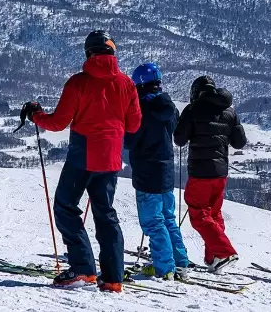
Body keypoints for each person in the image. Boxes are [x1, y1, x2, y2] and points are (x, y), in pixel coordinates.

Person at [21, 30, 141, 293]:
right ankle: (113, 278)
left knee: (65, 206)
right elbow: (134, 125)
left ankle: (83, 269)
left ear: (89, 53)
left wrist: (36, 115)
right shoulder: (127, 84)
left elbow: (58, 123)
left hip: (83, 154)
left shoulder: (78, 83)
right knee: (106, 214)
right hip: (111, 158)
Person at [173, 75, 246, 274]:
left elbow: (179, 139)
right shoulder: (230, 111)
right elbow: (239, 143)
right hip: (221, 172)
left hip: (200, 172)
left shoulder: (193, 109)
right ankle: (214, 257)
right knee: (213, 214)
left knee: (198, 213)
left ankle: (224, 252)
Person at [124, 62, 190, 280]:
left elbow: (130, 141)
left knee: (153, 221)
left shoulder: (140, 108)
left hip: (146, 171)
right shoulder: (169, 107)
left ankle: (164, 267)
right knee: (168, 218)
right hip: (166, 170)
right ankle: (180, 262)